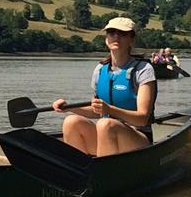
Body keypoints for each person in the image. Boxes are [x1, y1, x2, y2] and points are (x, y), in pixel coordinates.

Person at [52, 16, 157, 157]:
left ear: (132, 40)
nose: (116, 37)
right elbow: (96, 110)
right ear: (106, 39)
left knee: (105, 124)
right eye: (112, 33)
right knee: (71, 121)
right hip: (107, 131)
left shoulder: (143, 69)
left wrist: (110, 110)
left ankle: (104, 169)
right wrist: (69, 107)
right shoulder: (100, 70)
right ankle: (76, 167)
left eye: (122, 34)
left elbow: (142, 118)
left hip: (138, 137)